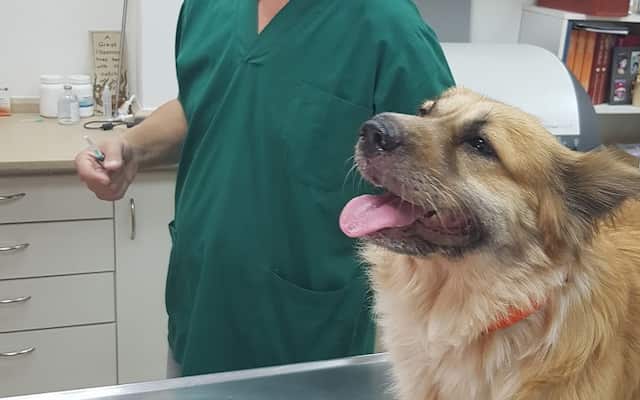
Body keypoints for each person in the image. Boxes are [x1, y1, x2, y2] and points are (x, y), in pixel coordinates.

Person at [75, 0, 454, 377]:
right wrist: (132, 146)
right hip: (199, 306)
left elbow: (443, 173)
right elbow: (202, 100)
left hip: (303, 333)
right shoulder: (204, 7)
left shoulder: (386, 23)